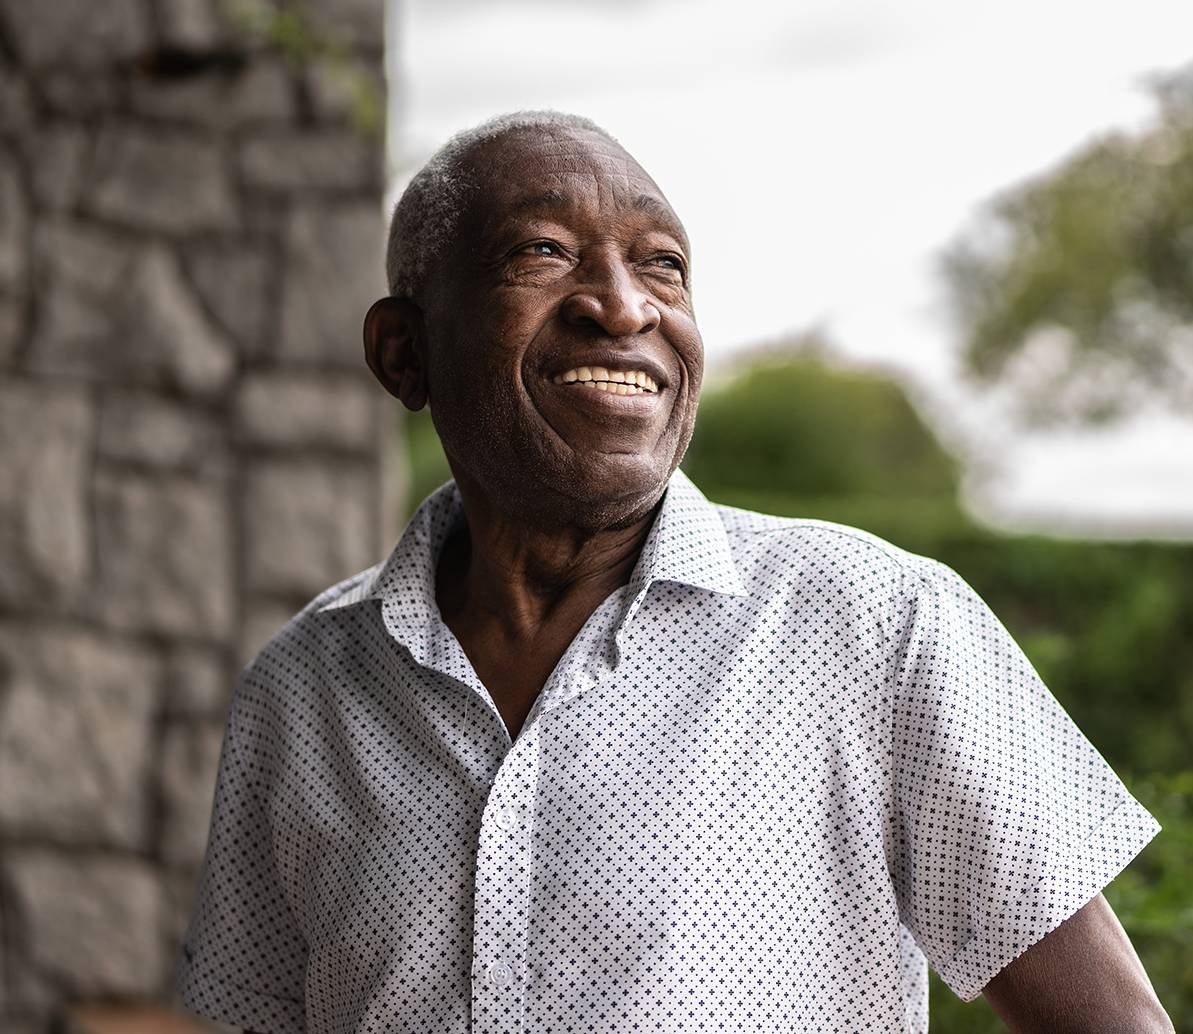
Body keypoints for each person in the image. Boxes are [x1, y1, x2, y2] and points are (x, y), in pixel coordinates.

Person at [174, 111, 1173, 1034]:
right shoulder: (302, 687)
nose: (621, 305)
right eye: (542, 251)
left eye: (662, 265)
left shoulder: (878, 625)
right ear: (403, 352)